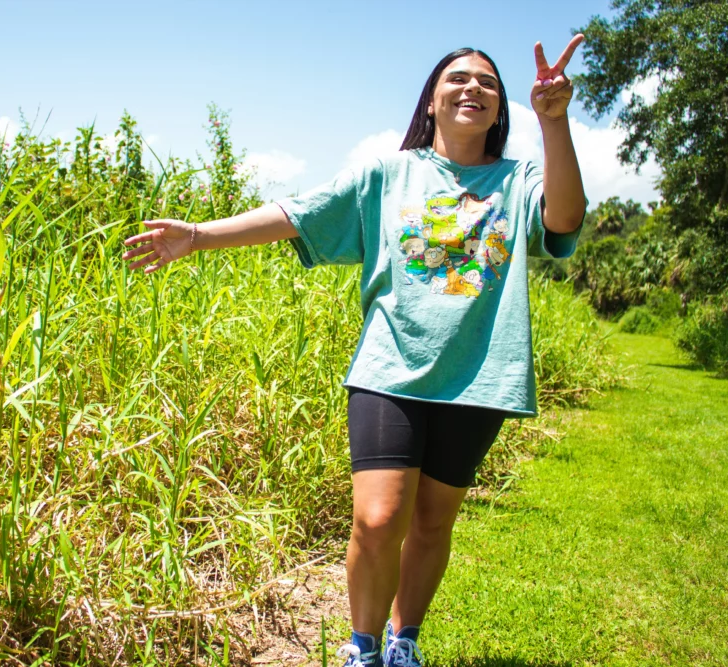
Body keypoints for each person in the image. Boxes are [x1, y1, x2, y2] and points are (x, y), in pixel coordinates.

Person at [123, 36, 587, 667]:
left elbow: (563, 220)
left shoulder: (518, 179)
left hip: (479, 376)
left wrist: (554, 124)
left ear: (502, 109)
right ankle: (362, 647)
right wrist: (199, 236)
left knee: (431, 523)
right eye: (458, 78)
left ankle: (403, 642)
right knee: (377, 519)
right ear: (431, 101)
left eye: (487, 82)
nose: (473, 87)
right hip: (390, 368)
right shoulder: (386, 175)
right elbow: (297, 213)